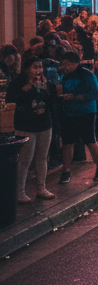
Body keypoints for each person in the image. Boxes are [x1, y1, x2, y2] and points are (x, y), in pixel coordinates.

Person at [13, 57, 59, 203]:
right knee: (25, 159)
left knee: (42, 157)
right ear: (27, 69)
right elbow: (12, 99)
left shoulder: (46, 83)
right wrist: (27, 90)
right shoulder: (19, 83)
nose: (38, 70)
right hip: (25, 126)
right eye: (35, 67)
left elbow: (52, 102)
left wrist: (45, 90)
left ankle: (41, 188)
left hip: (44, 124)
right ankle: (19, 192)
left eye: (40, 67)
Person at [56, 51, 98, 185]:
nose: (64, 66)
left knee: (90, 141)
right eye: (63, 63)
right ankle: (66, 171)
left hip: (86, 112)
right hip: (69, 112)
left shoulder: (87, 75)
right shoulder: (64, 76)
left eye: (67, 64)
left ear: (75, 63)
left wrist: (75, 97)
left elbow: (94, 94)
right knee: (67, 143)